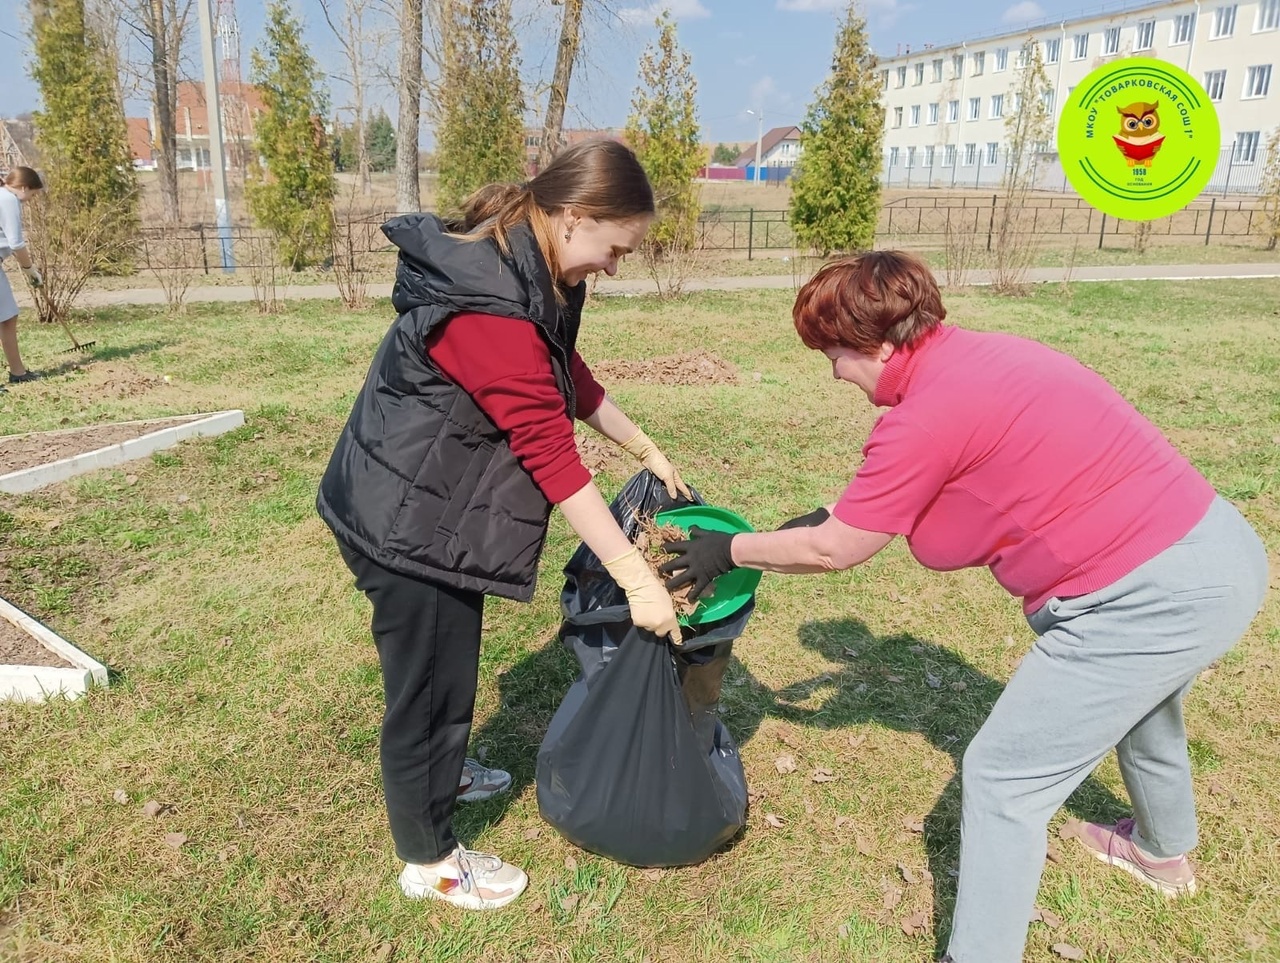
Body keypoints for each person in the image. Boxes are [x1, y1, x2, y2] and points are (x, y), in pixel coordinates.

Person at [660, 251, 1269, 963]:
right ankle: (1162, 853)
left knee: (1004, 779)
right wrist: (819, 518)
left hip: (1146, 596)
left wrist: (727, 553)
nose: (833, 372)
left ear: (879, 344)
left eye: (834, 354)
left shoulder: (925, 415)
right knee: (1142, 707)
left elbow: (837, 550)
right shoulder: (983, 357)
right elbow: (929, 485)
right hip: (1214, 551)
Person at [317, 140, 691, 912]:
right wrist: (633, 576)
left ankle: (441, 771)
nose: (617, 266)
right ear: (575, 216)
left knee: (445, 665)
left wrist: (640, 442)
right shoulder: (488, 299)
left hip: (432, 504)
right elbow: (550, 450)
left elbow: (566, 373)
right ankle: (428, 857)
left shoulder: (533, 267)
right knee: (428, 688)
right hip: (404, 521)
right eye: (615, 248)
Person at [0, 166, 45, 390]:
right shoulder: (8, 199)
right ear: (24, 187)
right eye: (33, 194)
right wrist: (30, 270)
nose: (31, 199)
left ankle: (18, 373)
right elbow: (16, 243)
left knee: (8, 317)